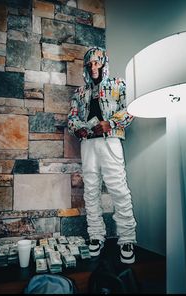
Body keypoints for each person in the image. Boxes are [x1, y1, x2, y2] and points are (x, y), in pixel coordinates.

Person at [67, 47, 137, 264]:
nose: (93, 67)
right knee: (90, 190)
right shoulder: (79, 93)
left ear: (104, 63)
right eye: (89, 64)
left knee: (118, 188)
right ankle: (96, 236)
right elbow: (71, 119)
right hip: (88, 143)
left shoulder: (119, 85)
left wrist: (111, 123)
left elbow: (130, 109)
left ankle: (127, 239)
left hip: (110, 140)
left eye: (97, 63)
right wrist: (80, 128)